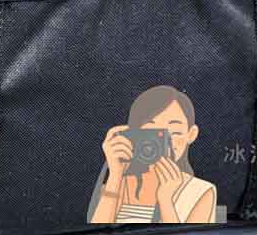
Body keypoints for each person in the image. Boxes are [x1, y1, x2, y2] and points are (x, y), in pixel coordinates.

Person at [88, 85, 220, 224]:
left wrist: (165, 200)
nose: (163, 144)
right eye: (152, 134)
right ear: (132, 133)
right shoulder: (115, 184)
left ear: (191, 134)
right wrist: (115, 175)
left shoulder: (200, 191)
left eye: (174, 132)